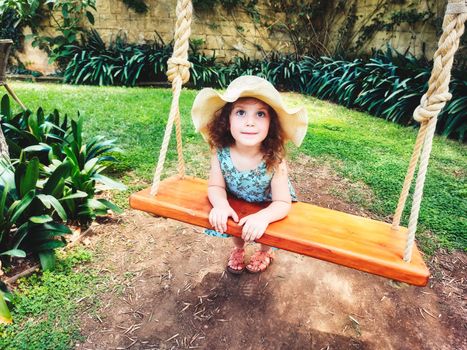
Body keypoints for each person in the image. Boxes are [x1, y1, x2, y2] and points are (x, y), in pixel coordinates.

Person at [191, 75, 308, 274]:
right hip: (237, 201)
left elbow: (282, 203)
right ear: (227, 121)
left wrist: (262, 217)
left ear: (271, 123)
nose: (250, 122)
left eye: (260, 114)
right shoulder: (220, 152)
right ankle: (239, 247)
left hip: (268, 204)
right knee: (235, 221)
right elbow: (215, 187)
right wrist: (221, 205)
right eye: (241, 112)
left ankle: (265, 251)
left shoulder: (274, 158)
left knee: (264, 230)